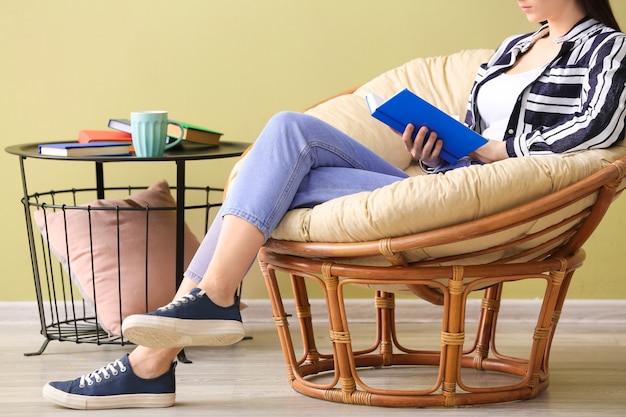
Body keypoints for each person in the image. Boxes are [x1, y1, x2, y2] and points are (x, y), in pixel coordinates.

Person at [43, 0, 625, 409]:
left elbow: (595, 129)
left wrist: (489, 154)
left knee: (281, 160)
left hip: (496, 201)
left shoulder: (607, 49)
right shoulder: (515, 47)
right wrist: (435, 148)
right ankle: (176, 337)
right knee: (283, 147)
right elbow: (468, 140)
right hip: (440, 183)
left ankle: (185, 326)